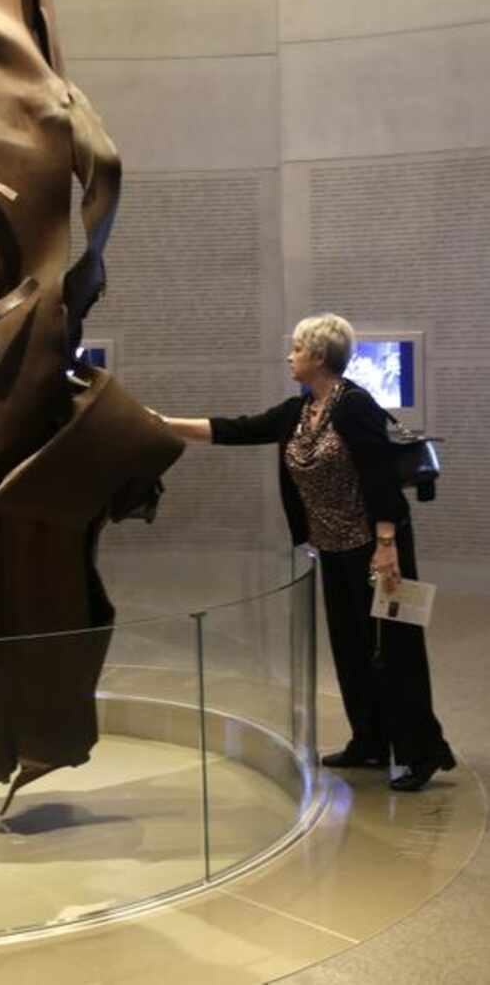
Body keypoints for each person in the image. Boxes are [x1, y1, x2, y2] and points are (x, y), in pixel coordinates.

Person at [161, 313, 454, 792]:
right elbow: (238, 429)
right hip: (332, 549)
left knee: (395, 650)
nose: (289, 356)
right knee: (351, 648)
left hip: (375, 549)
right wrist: (163, 425)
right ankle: (371, 741)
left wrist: (385, 547)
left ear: (319, 357)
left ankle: (421, 751)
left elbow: (380, 478)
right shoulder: (299, 411)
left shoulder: (355, 406)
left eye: (296, 349)